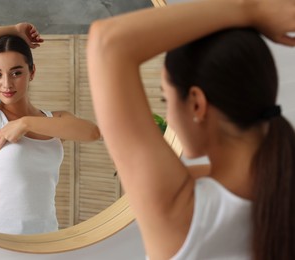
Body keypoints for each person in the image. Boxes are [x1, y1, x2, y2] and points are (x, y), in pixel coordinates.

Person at [87, 0, 295, 259]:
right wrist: (250, 11)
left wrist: (251, 9)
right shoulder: (281, 184)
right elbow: (108, 43)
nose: (169, 116)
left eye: (166, 100)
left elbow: (107, 42)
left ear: (197, 104)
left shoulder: (184, 212)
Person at [0, 23, 100, 235]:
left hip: (46, 238)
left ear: (32, 71)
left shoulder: (54, 120)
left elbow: (92, 132)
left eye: (16, 72)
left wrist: (25, 123)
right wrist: (13, 30)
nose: (6, 84)